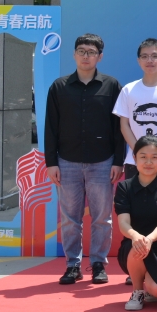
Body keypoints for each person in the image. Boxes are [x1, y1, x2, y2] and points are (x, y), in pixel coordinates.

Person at [46, 33, 125, 285]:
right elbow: (50, 127)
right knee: (70, 218)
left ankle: (99, 263)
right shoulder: (59, 87)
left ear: (100, 56)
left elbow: (119, 127)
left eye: (91, 52)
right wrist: (51, 162)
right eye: (81, 51)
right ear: (74, 54)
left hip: (103, 161)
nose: (86, 56)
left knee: (102, 217)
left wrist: (118, 161)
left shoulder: (111, 85)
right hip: (66, 161)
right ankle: (73, 265)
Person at [116, 135, 157, 310]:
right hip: (133, 245)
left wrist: (150, 239)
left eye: (154, 157)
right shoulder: (124, 187)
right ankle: (137, 290)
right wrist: (136, 236)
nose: (148, 162)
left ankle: (150, 283)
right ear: (134, 158)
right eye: (143, 157)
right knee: (137, 245)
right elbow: (123, 223)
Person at [114, 38, 157, 181]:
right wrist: (140, 152)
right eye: (144, 56)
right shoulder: (128, 89)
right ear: (138, 60)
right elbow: (124, 124)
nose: (149, 60)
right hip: (134, 161)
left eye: (154, 56)